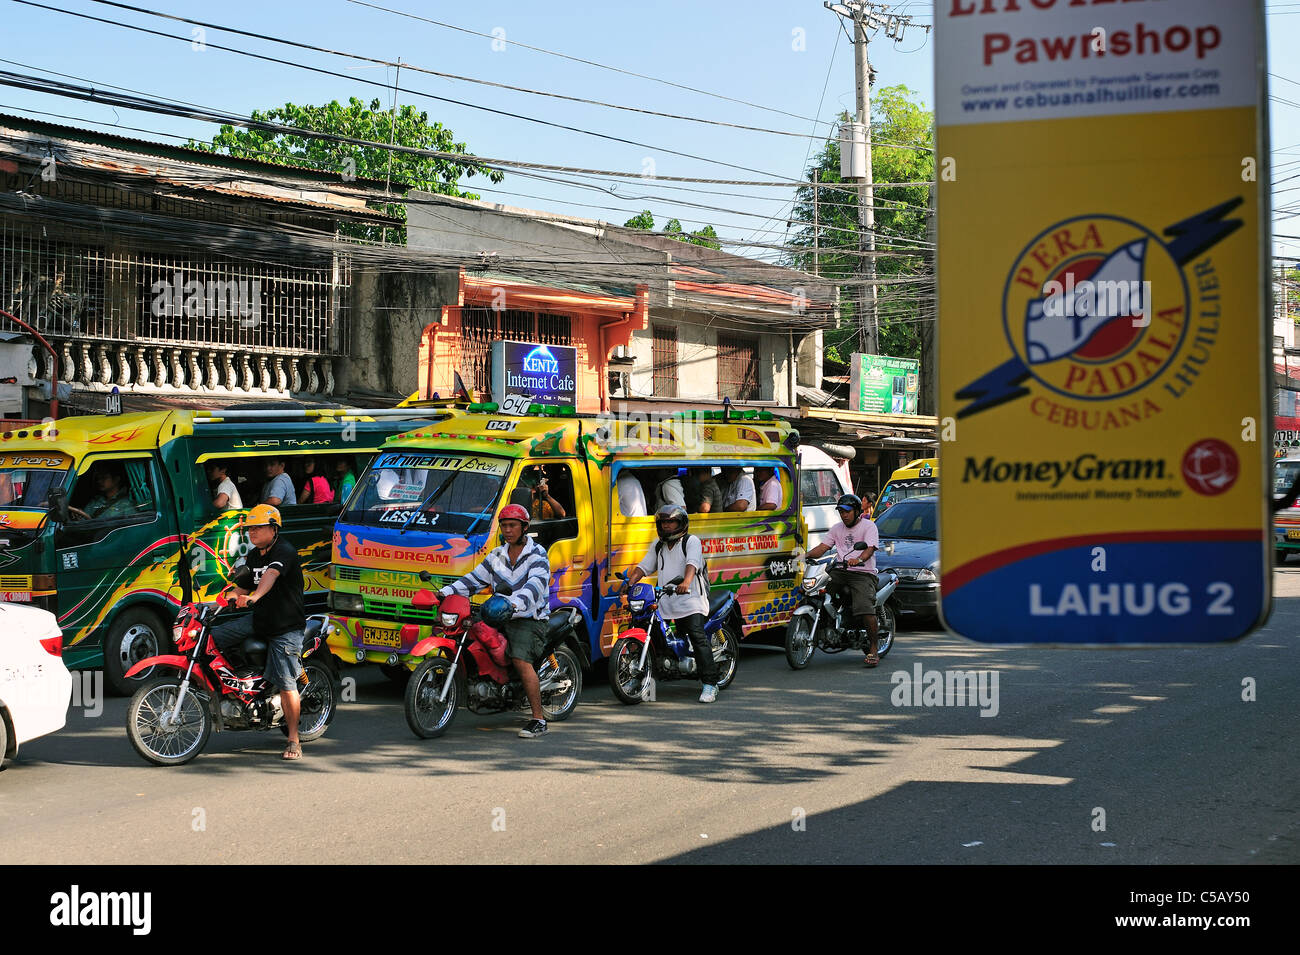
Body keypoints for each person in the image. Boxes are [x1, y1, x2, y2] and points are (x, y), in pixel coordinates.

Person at [439, 503, 554, 739]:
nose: (508, 530)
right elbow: (472, 580)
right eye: (504, 525)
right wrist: (444, 593)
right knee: (466, 629)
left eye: (513, 525)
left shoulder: (538, 555)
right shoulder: (496, 556)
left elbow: (535, 587)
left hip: (527, 617)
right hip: (496, 612)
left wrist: (513, 604)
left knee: (520, 659)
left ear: (524, 527)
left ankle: (538, 719)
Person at [212, 505, 308, 759]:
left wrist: (255, 597)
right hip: (260, 619)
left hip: (285, 626)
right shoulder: (254, 556)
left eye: (258, 527)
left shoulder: (284, 551)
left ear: (273, 529)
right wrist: (222, 600)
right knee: (213, 637)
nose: (252, 532)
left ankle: (293, 740)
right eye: (250, 528)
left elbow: (271, 576)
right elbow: (240, 587)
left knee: (287, 683)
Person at [623, 504, 720, 703]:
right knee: (653, 638)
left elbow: (692, 563)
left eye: (671, 521)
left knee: (697, 636)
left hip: (690, 599)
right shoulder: (658, 545)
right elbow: (644, 566)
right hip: (666, 600)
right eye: (664, 522)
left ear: (681, 523)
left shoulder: (691, 541)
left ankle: (710, 684)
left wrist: (686, 582)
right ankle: (640, 679)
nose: (667, 526)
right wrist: (629, 582)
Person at [805, 493, 881, 667]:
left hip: (863, 572)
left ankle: (874, 649)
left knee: (865, 608)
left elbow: (869, 549)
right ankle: (829, 626)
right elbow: (823, 548)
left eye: (847, 511)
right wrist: (804, 555)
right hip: (840, 571)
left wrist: (859, 559)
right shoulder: (837, 528)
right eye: (841, 511)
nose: (844, 515)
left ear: (856, 511)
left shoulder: (869, 527)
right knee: (816, 592)